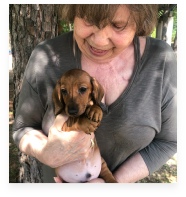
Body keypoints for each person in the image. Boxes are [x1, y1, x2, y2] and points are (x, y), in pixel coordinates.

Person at [12, 4, 177, 183]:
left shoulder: (161, 59)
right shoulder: (44, 57)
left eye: (118, 25)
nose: (99, 41)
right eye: (89, 20)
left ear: (139, 22)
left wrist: (112, 184)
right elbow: (22, 129)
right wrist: (45, 152)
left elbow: (170, 141)